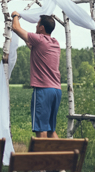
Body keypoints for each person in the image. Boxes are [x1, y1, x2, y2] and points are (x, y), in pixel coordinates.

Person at [11, 11, 61, 139]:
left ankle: (42, 158)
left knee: (41, 130)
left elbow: (16, 28)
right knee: (51, 130)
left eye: (37, 24)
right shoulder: (55, 43)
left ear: (42, 28)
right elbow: (32, 45)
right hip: (56, 90)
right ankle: (61, 157)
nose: (36, 27)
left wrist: (15, 16)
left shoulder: (39, 39)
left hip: (43, 90)